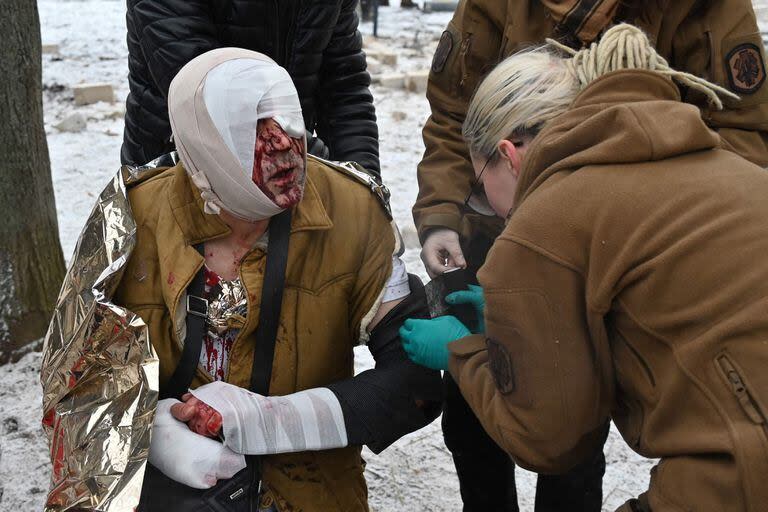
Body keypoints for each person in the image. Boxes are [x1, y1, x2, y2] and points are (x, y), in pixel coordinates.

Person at [413, 1, 768, 509]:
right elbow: (452, 112)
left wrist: (461, 351)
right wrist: (444, 214)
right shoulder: (739, 181)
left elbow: (551, 438)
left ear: (509, 156)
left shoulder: (546, 227)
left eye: (481, 178)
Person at [114, 48, 441, 511]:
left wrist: (272, 421)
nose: (282, 144)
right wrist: (159, 430)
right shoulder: (134, 219)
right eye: (249, 129)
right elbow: (78, 379)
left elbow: (416, 380)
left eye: (286, 119)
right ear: (203, 144)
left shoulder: (352, 212)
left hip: (310, 491)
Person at [122, 0, 380, 176]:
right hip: (181, 177)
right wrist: (326, 177)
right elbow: (210, 91)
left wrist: (365, 188)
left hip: (291, 172)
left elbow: (344, 88)